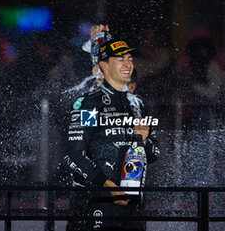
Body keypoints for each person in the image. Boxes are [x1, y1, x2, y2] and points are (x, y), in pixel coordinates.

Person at [64, 33, 160, 231]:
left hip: (134, 204)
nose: (127, 64)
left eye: (129, 59)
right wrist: (109, 186)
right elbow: (73, 155)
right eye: (120, 59)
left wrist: (143, 140)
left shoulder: (139, 105)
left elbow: (154, 154)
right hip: (96, 201)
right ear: (104, 66)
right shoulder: (90, 104)